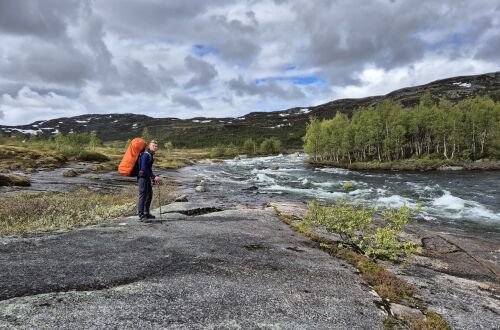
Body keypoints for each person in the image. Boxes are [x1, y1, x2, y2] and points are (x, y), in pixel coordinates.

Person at [137, 140, 161, 221]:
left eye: (156, 146)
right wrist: (154, 177)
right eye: (153, 146)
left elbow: (148, 169)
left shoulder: (150, 155)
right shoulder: (146, 155)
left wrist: (152, 177)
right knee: (142, 196)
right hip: (142, 178)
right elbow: (143, 168)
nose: (155, 147)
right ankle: (141, 215)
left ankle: (146, 213)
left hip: (146, 177)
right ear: (149, 146)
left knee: (149, 195)